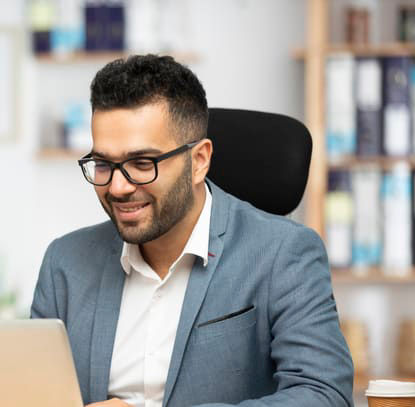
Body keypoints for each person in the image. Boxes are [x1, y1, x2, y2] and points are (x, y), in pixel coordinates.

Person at [30, 55, 353, 407]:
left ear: (199, 161)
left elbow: (324, 395)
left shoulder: (283, 253)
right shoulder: (65, 262)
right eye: (104, 164)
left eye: (142, 163)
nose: (118, 187)